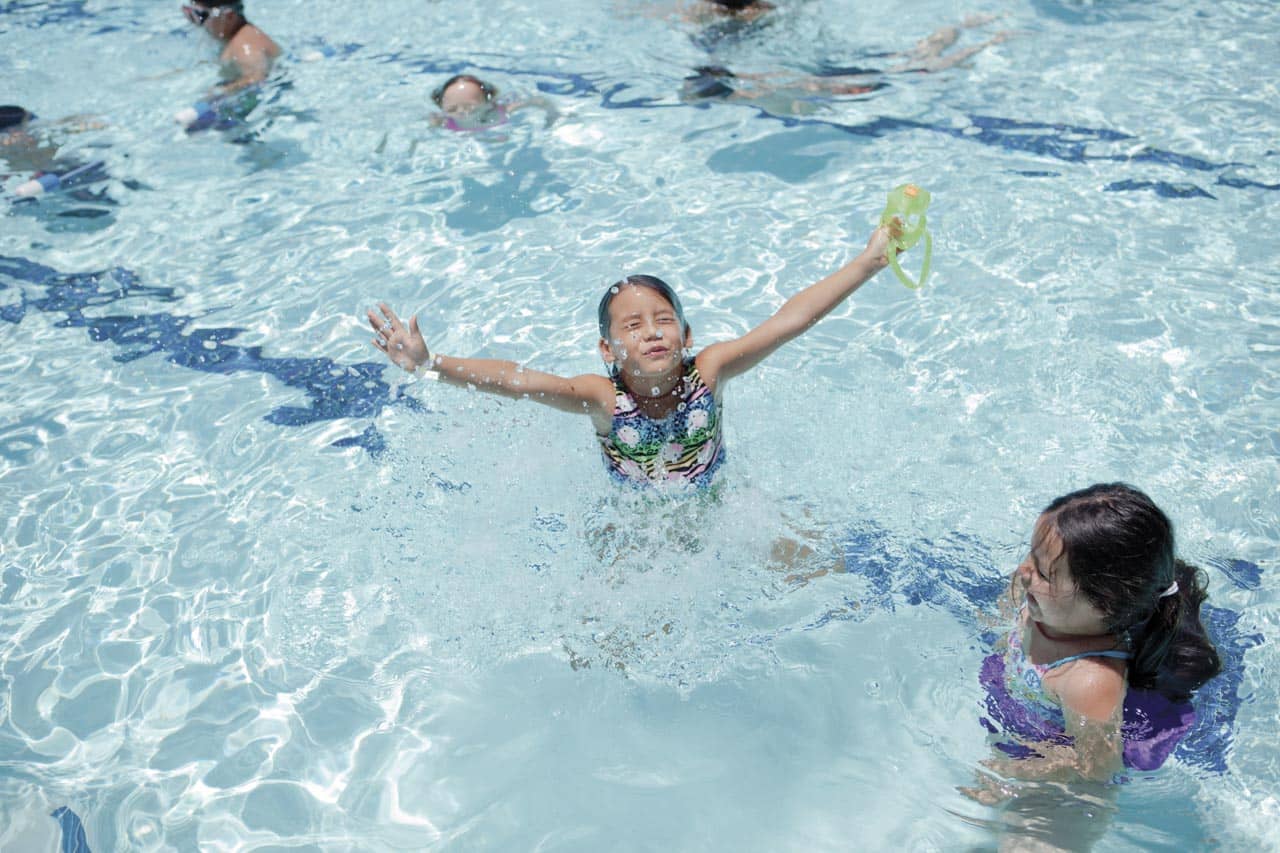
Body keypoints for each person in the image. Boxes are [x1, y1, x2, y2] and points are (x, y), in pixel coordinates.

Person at [365, 215, 904, 488]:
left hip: (713, 502)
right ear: (608, 347)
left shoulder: (708, 371)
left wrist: (868, 263)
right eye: (634, 325)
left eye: (665, 320)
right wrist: (432, 366)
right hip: (632, 519)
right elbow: (517, 380)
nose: (652, 332)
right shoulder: (602, 397)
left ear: (686, 335)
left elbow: (790, 321)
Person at [970, 483, 1222, 795]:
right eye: (1032, 553)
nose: (1023, 571)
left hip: (1057, 740)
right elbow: (999, 625)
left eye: (1045, 573)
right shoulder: (1035, 589)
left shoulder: (1089, 679)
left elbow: (1096, 767)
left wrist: (1012, 773)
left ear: (1103, 604)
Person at [682, 17, 1011, 109]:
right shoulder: (756, 81)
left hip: (846, 80)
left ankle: (985, 38)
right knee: (919, 54)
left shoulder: (759, 91)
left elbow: (813, 91)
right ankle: (968, 26)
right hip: (837, 76)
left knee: (923, 63)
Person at [181, 0, 280, 92]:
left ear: (229, 16)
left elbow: (258, 79)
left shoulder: (244, 47)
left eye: (201, 15)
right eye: (191, 14)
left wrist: (220, 92)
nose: (198, 23)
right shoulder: (231, 38)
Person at [429, 74, 558, 132]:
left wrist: (553, 116)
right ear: (442, 108)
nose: (462, 112)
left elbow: (539, 101)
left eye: (470, 107)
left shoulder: (501, 111)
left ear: (488, 103)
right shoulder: (442, 121)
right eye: (452, 109)